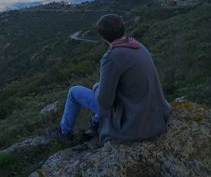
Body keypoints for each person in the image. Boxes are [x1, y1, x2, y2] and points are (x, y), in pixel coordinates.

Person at [49, 14, 172, 145]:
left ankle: (64, 133)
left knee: (74, 92)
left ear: (102, 37)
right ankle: (95, 122)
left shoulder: (111, 57)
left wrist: (96, 87)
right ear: (122, 29)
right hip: (153, 115)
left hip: (133, 121)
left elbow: (104, 102)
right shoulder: (139, 47)